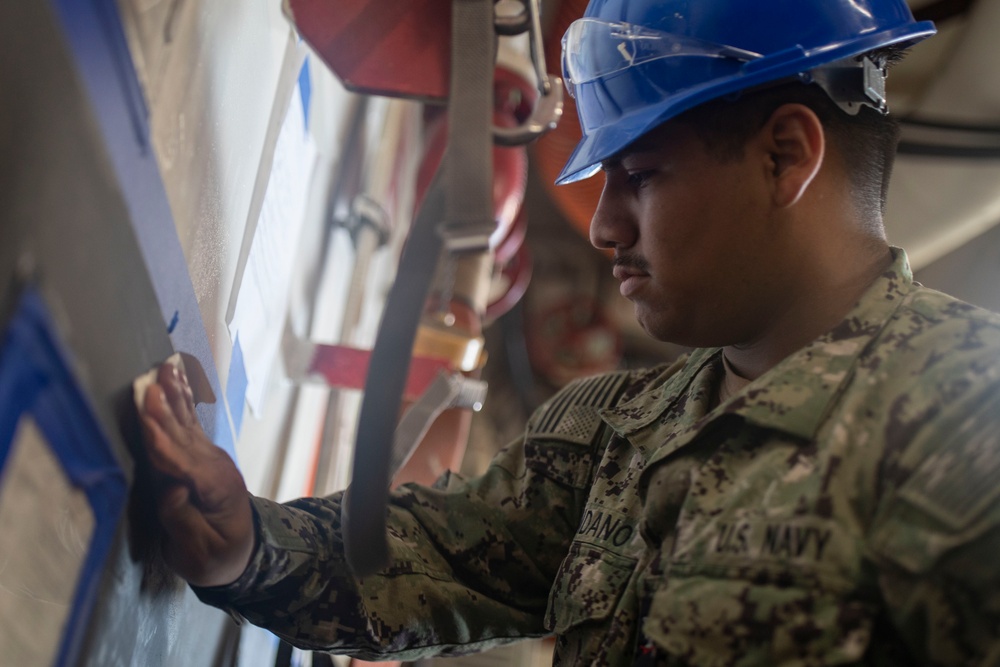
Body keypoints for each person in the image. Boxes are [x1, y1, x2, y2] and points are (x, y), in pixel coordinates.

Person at [140, 0, 1000, 664]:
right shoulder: (613, 433)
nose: (604, 226)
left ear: (785, 155)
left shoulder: (964, 424)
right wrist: (246, 546)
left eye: (642, 176)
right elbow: (436, 555)